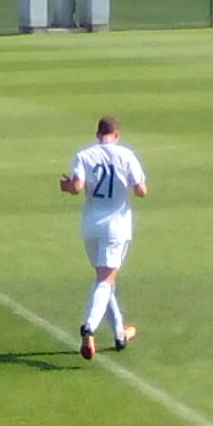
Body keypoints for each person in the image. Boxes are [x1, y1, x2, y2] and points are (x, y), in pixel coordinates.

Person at [59, 116, 147, 360]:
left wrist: (65, 186)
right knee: (105, 281)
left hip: (90, 225)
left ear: (98, 134)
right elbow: (141, 190)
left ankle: (119, 334)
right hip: (116, 226)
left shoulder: (84, 155)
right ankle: (89, 326)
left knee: (104, 280)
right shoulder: (126, 155)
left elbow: (76, 187)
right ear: (116, 134)